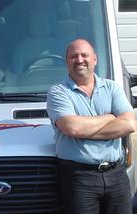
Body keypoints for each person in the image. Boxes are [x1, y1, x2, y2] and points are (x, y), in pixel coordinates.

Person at [47, 39, 136, 214]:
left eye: (84, 55)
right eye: (73, 56)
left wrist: (84, 130)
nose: (79, 60)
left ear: (95, 59)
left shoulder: (112, 88)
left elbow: (130, 124)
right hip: (79, 177)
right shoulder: (58, 92)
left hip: (116, 174)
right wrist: (110, 117)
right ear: (67, 62)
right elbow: (72, 128)